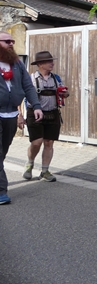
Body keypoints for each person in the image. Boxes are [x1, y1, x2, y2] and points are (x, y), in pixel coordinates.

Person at [0, 32, 43, 205]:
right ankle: (1, 192)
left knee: (3, 152)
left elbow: (28, 86)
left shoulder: (17, 63)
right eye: (7, 41)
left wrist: (37, 106)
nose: (11, 43)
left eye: (12, 41)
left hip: (10, 114)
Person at [23, 51, 70, 182]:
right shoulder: (31, 79)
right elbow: (21, 96)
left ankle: (45, 171)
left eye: (52, 61)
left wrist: (65, 94)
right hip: (34, 113)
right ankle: (30, 163)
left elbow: (65, 93)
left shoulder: (56, 78)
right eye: (49, 61)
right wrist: (20, 115)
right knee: (36, 142)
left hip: (52, 113)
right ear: (40, 64)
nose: (52, 63)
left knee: (49, 143)